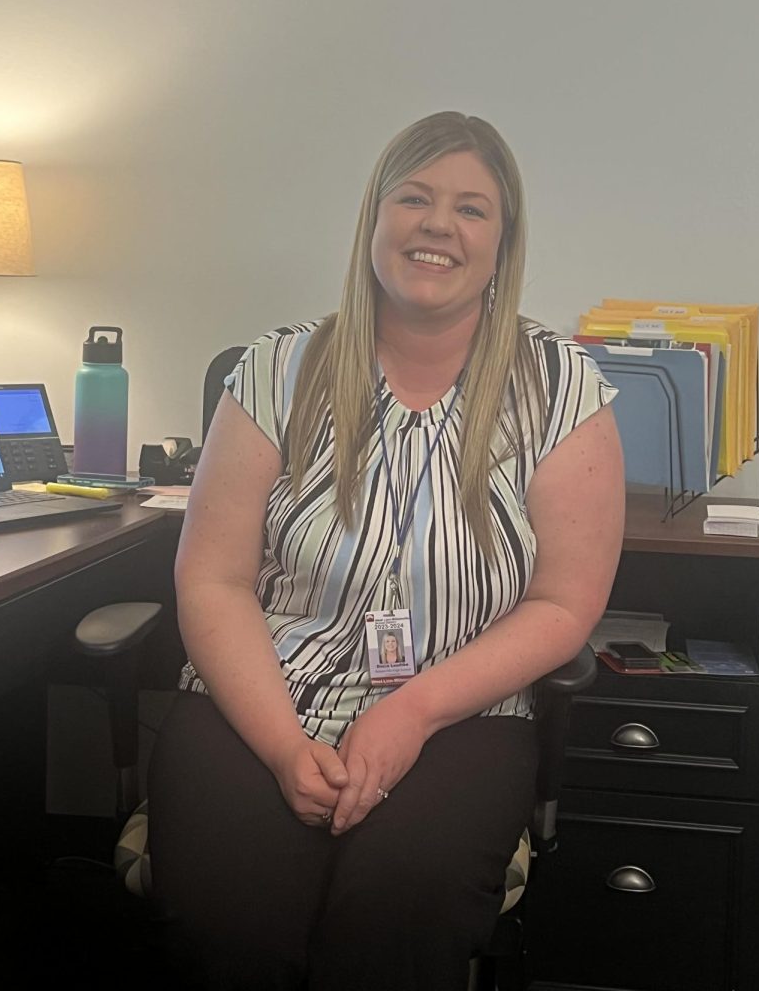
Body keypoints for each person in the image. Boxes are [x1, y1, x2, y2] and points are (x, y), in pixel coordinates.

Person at [148, 111, 625, 991]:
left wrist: (410, 712)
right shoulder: (276, 370)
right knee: (236, 922)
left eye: (472, 209)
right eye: (415, 197)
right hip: (261, 698)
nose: (438, 224)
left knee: (394, 915)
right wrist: (288, 748)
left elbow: (565, 603)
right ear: (376, 218)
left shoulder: (561, 387)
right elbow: (213, 581)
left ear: (502, 243)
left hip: (463, 715)